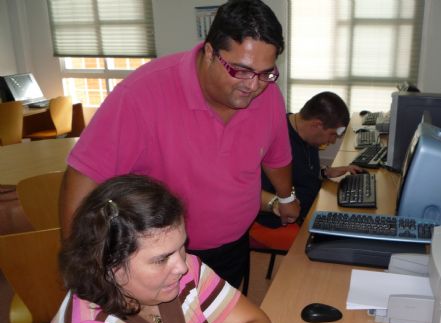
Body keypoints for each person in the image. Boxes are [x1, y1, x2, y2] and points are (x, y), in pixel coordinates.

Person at [59, 0, 300, 290]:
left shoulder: (267, 94)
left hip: (234, 245)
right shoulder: (141, 95)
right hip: (161, 257)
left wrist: (286, 198)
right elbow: (83, 176)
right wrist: (83, 268)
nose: (253, 85)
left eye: (265, 73)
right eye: (241, 70)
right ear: (210, 52)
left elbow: (276, 156)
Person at [38, 174, 276, 323]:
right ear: (110, 267)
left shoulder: (180, 274)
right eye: (161, 259)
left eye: (182, 246)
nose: (182, 265)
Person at [251, 92, 365, 249]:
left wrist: (325, 172)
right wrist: (279, 204)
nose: (332, 141)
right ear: (316, 125)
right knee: (332, 247)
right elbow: (251, 193)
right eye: (332, 134)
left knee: (350, 227)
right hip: (272, 222)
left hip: (308, 211)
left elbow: (299, 171)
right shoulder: (274, 138)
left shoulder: (306, 136)